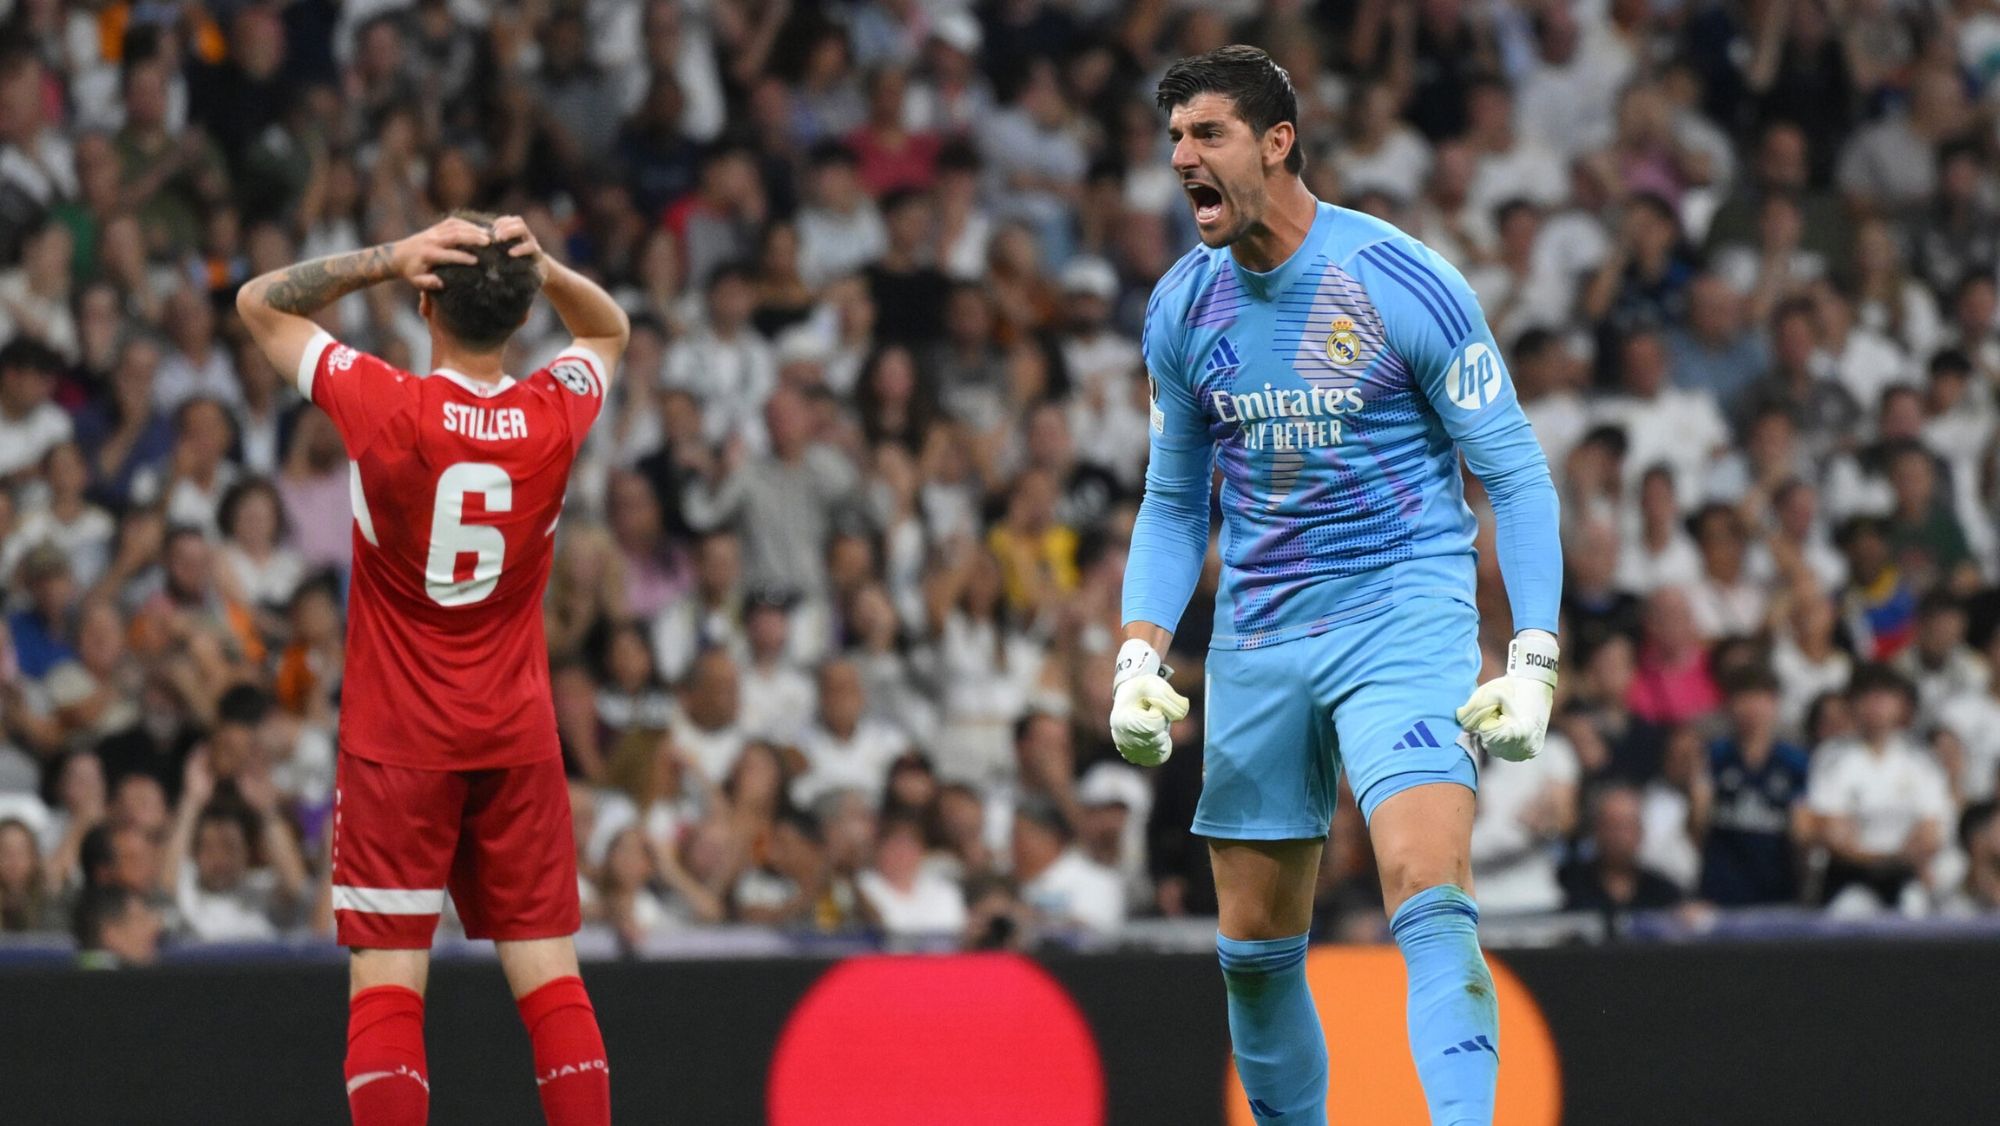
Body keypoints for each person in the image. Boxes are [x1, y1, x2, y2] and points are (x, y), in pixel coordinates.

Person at [1109, 48, 1561, 1126]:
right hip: (1260, 632)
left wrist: (1532, 653)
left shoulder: (1400, 280)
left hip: (1400, 609)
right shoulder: (1181, 309)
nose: (1180, 159)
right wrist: (1137, 651)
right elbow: (1174, 505)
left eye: (1205, 134)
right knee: (1254, 950)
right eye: (1172, 138)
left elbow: (1512, 470)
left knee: (1423, 883)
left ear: (1275, 142)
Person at [236, 212, 629, 1126]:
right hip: (516, 732)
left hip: (398, 738)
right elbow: (607, 328)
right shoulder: (551, 413)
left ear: (424, 300)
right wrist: (544, 266)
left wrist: (386, 254)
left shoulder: (385, 406)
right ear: (524, 316)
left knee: (387, 981)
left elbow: (259, 303)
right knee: (550, 978)